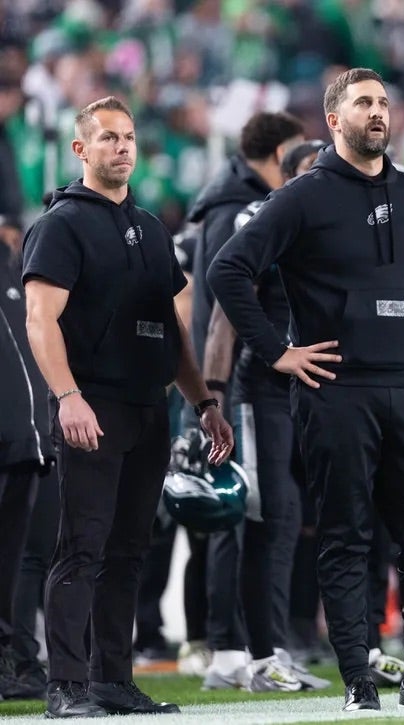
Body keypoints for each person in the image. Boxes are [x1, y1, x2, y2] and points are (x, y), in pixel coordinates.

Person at [207, 67, 404, 713]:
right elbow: (229, 269)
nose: (378, 111)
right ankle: (360, 680)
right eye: (364, 102)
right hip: (336, 390)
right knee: (347, 535)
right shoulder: (302, 196)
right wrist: (278, 351)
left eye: (385, 101)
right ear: (334, 120)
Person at [21, 96, 234, 718]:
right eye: (109, 138)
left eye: (130, 138)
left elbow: (172, 329)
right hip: (93, 404)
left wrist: (204, 402)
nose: (123, 147)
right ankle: (64, 685)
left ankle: (112, 680)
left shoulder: (150, 226)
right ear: (81, 149)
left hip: (148, 406)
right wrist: (67, 397)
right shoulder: (61, 224)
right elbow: (40, 320)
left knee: (129, 550)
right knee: (81, 546)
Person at [182, 111, 307, 691]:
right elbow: (226, 315)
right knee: (256, 517)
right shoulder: (244, 210)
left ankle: (246, 650)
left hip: (227, 386)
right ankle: (245, 653)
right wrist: (214, 397)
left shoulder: (225, 202)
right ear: (280, 151)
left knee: (254, 518)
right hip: (239, 386)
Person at [0, 214, 53, 701]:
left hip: (28, 443)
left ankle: (15, 661)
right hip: (20, 439)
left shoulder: (15, 275)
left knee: (20, 556)